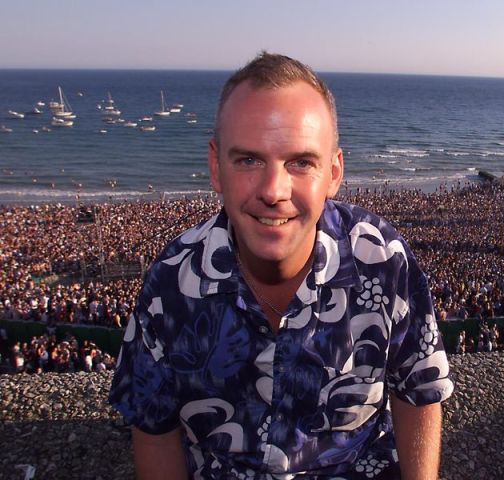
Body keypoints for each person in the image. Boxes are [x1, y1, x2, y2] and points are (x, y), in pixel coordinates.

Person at [109, 52, 454, 479]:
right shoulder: (172, 281)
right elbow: (154, 427)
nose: (274, 190)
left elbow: (418, 393)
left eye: (300, 162)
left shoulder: (383, 260)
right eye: (249, 160)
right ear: (216, 167)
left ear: (333, 172)